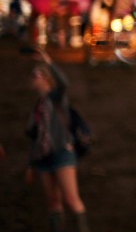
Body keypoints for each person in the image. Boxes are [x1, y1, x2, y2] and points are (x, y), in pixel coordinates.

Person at [25, 48, 90, 232]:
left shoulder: (57, 98)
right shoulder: (37, 107)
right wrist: (31, 164)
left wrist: (47, 60)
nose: (32, 78)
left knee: (72, 200)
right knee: (54, 204)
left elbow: (64, 82)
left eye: (36, 75)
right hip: (43, 159)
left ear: (47, 79)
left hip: (62, 153)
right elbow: (35, 137)